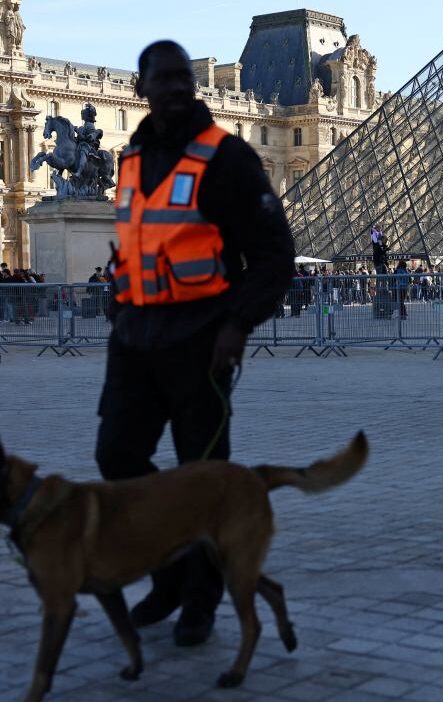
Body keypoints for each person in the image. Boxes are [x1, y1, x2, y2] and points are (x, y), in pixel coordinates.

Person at [96, 39, 294, 648]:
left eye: (185, 78)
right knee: (117, 459)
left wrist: (237, 325)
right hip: (134, 337)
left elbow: (273, 254)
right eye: (165, 78)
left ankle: (201, 601)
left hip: (201, 339)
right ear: (141, 88)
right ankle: (172, 573)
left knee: (202, 475)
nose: (179, 87)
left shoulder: (227, 156)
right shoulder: (129, 157)